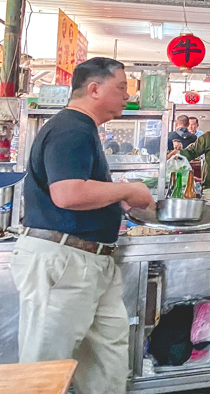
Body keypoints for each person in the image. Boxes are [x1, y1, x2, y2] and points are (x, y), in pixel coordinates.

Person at [14, 57, 156, 394]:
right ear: (94, 89)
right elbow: (67, 193)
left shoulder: (83, 130)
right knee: (44, 368)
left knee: (107, 362)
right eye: (121, 88)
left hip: (92, 262)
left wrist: (113, 200)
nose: (127, 96)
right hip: (64, 263)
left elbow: (78, 188)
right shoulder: (71, 128)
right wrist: (128, 190)